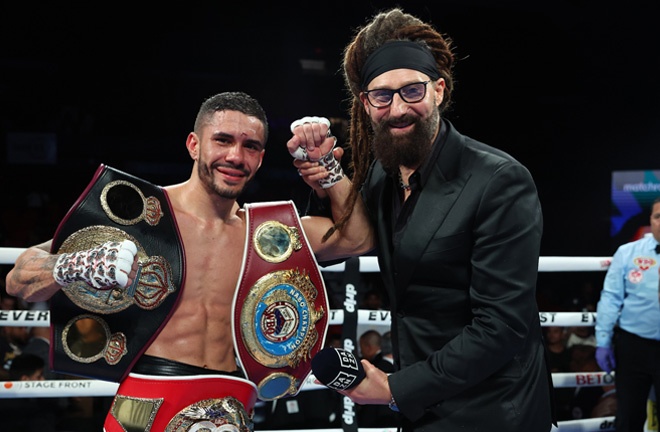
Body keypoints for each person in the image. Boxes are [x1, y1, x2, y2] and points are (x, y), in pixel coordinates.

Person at [4, 91, 365, 432]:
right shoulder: (142, 220)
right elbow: (18, 280)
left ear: (260, 158)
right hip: (144, 407)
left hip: (233, 408)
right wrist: (73, 266)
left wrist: (327, 171)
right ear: (194, 145)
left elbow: (358, 238)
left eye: (250, 146)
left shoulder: (268, 234)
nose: (236, 157)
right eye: (222, 140)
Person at [287, 7, 555, 431]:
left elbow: (502, 326)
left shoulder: (499, 180)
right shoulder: (382, 172)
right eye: (382, 96)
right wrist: (325, 171)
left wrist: (397, 388)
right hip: (424, 406)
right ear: (366, 104)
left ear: (439, 91)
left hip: (494, 408)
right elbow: (350, 237)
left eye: (411, 91)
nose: (397, 109)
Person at [595, 196, 660, 432]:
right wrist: (603, 341)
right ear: (650, 220)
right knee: (628, 417)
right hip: (634, 346)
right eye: (658, 216)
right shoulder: (628, 252)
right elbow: (611, 297)